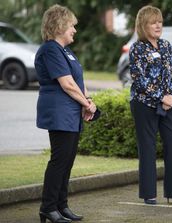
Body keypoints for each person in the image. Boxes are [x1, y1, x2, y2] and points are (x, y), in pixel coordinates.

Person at [35, 4, 97, 223]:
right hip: (59, 112)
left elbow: (78, 81)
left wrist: (87, 101)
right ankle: (48, 208)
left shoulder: (66, 51)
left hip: (70, 113)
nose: (75, 30)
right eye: (72, 25)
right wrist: (87, 105)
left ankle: (61, 206)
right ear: (60, 25)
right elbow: (67, 84)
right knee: (59, 161)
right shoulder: (50, 49)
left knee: (67, 161)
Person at [129, 5, 172, 206]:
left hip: (168, 104)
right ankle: (149, 194)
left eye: (160, 21)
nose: (158, 25)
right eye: (153, 22)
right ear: (143, 25)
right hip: (144, 104)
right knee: (147, 147)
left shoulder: (165, 45)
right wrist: (161, 96)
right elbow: (139, 80)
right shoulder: (137, 49)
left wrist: (171, 95)